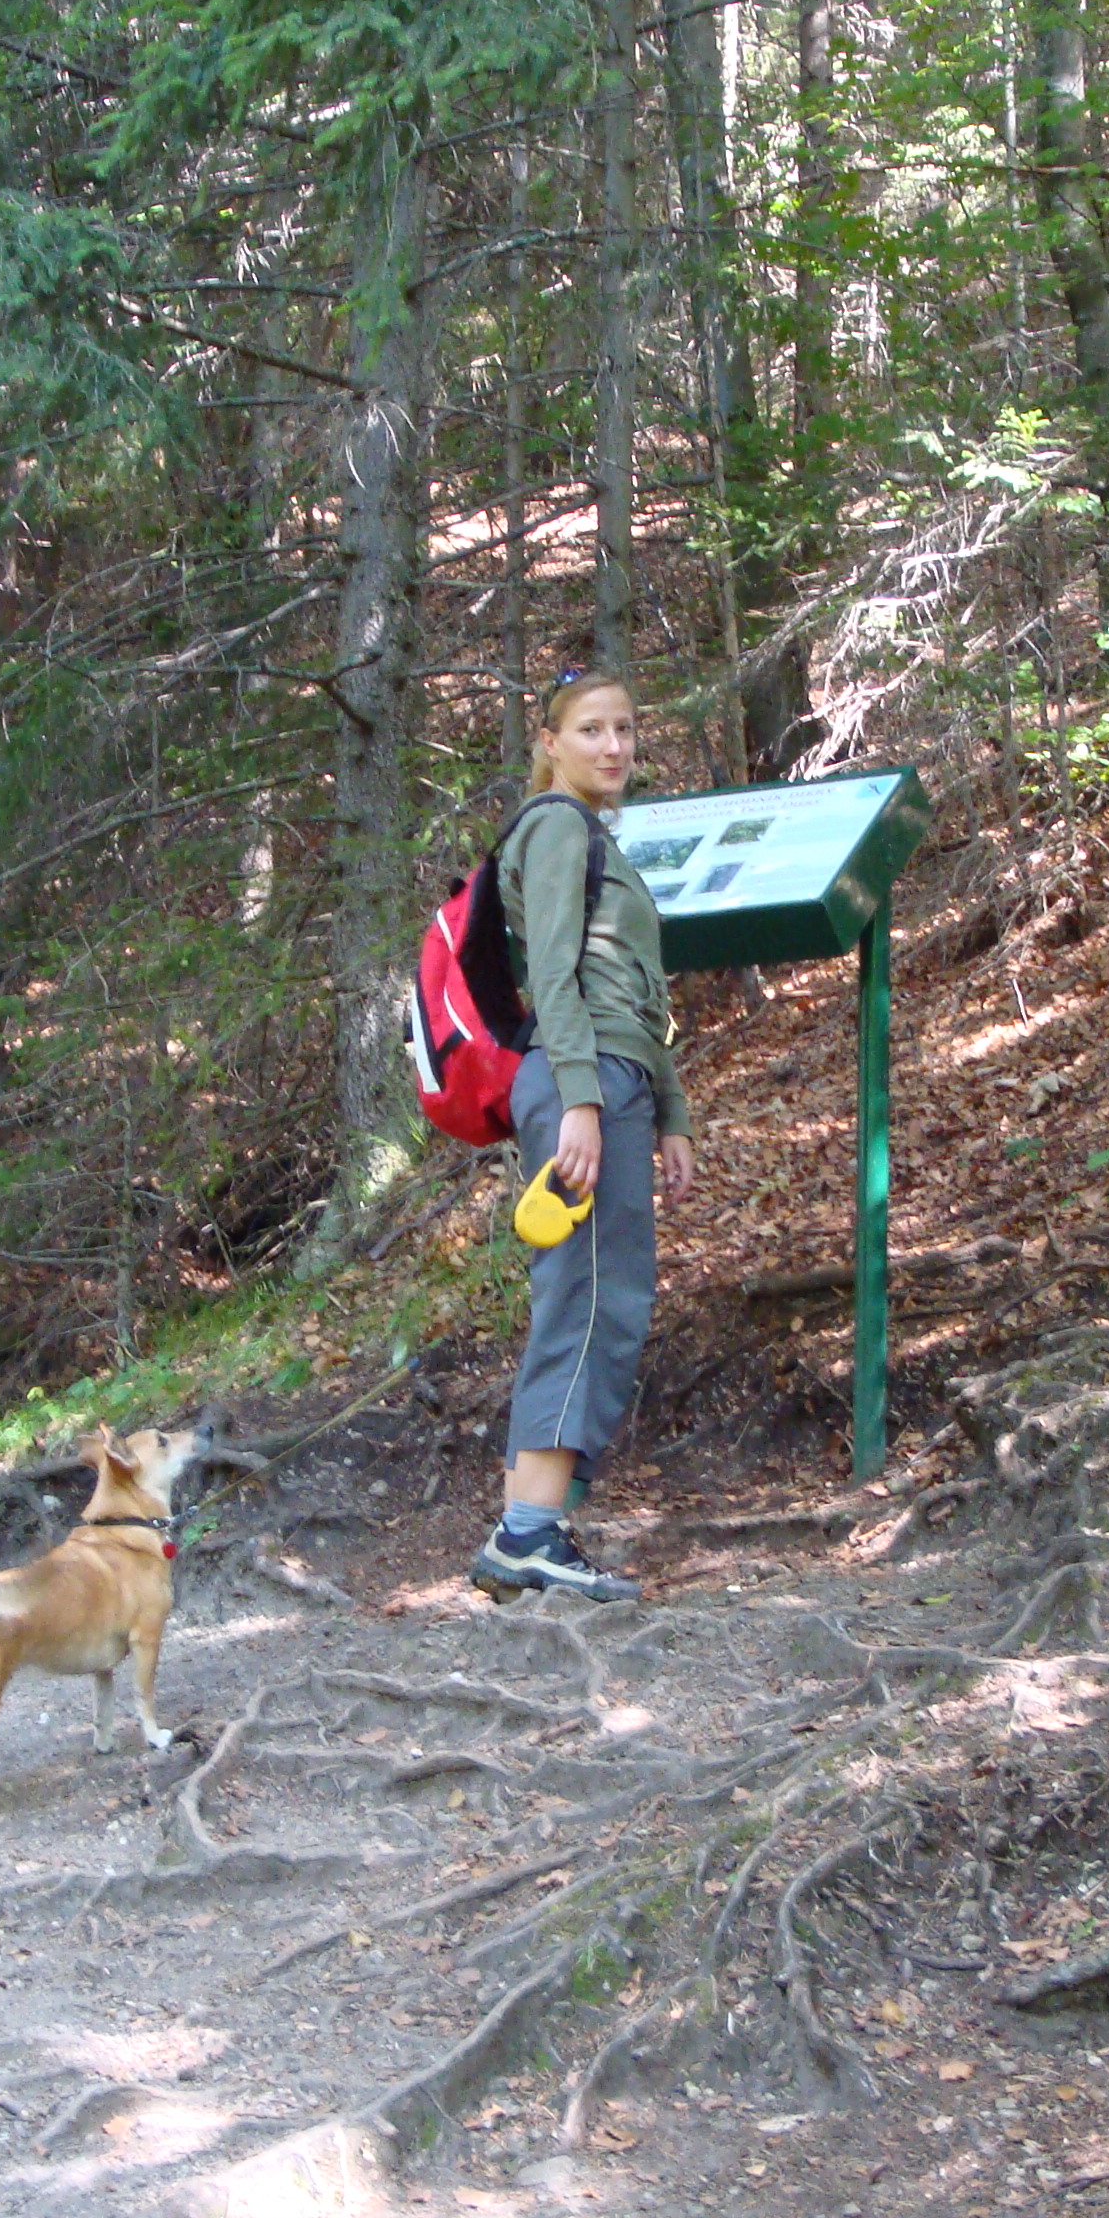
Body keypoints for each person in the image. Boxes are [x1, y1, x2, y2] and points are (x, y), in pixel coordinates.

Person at [472, 676, 695, 1601]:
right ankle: (530, 1533)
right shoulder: (559, 826)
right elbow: (557, 976)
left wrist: (671, 1113)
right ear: (550, 742)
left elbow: (635, 988)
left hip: (610, 1074)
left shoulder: (593, 835)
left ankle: (525, 1534)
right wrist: (581, 1102)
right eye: (591, 730)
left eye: (625, 729)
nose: (613, 746)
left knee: (590, 1291)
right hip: (585, 1076)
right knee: (593, 1298)